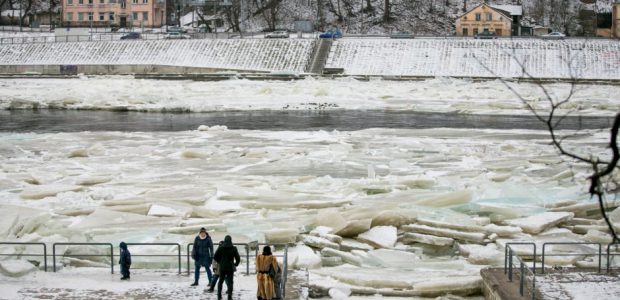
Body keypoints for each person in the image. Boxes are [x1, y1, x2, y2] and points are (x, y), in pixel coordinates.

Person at [213, 235, 240, 300]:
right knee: (230, 282)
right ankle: (229, 296)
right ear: (231, 240)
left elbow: (215, 257)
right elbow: (238, 258)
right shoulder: (234, 248)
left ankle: (219, 295)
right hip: (230, 267)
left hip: (222, 267)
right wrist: (235, 264)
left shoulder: (220, 248)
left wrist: (220, 262)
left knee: (220, 281)